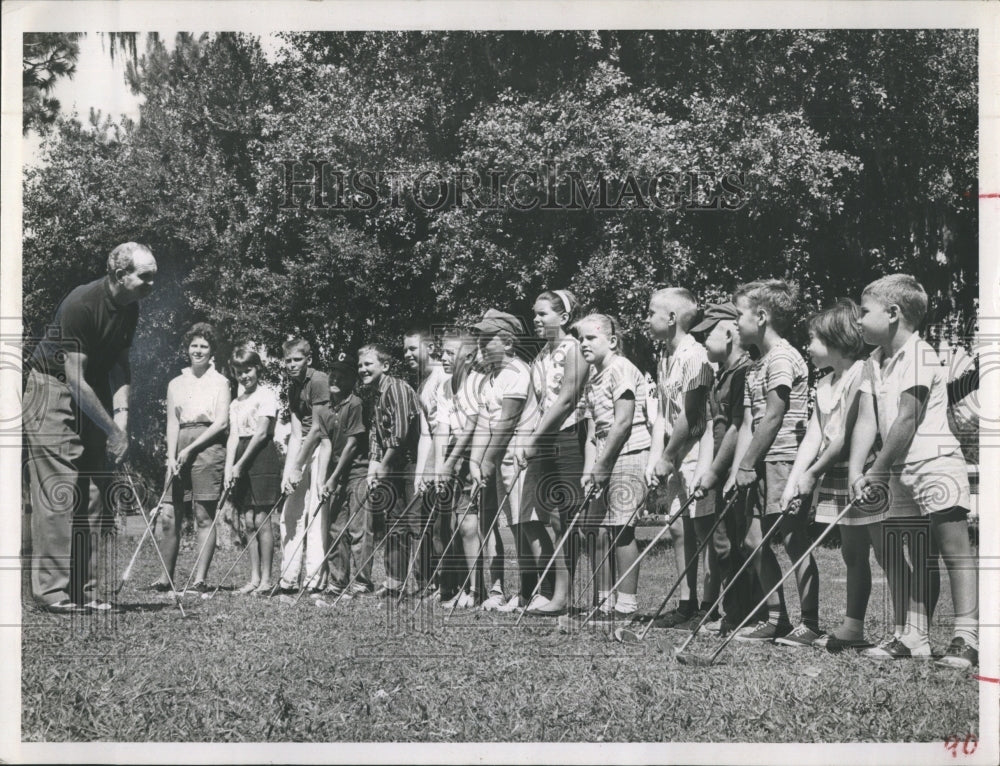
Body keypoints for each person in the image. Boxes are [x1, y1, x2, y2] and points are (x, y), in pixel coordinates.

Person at [851, 274, 978, 669]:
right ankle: (915, 637)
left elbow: (908, 418)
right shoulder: (873, 362)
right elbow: (867, 421)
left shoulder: (920, 354)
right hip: (897, 470)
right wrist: (860, 469)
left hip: (934, 463)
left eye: (864, 312)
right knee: (917, 554)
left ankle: (967, 637)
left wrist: (878, 468)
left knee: (953, 552)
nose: (857, 320)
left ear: (892, 314)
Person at [24, 242, 157, 613]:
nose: (152, 285)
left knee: (96, 488)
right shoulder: (82, 303)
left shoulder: (131, 307)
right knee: (60, 486)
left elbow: (121, 366)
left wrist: (123, 419)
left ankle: (88, 591)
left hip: (91, 389)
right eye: (145, 278)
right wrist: (113, 431)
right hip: (51, 388)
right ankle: (53, 593)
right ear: (120, 276)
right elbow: (75, 381)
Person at [778, 299, 882, 649]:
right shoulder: (824, 383)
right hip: (832, 471)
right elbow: (814, 435)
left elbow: (844, 437)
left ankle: (875, 627)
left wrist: (811, 475)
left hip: (858, 468)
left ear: (835, 339)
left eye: (812, 340)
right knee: (850, 553)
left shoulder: (860, 373)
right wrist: (795, 480)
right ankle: (852, 628)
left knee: (872, 552)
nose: (807, 347)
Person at [728, 279, 814, 643]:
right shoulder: (754, 364)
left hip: (783, 459)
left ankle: (809, 623)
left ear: (761, 316)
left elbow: (775, 415)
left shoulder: (782, 356)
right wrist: (740, 468)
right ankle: (776, 618)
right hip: (759, 461)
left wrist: (749, 464)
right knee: (753, 541)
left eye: (738, 316)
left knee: (794, 540)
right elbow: (750, 421)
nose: (734, 325)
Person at [514, 290, 589, 616]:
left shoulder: (574, 349)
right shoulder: (542, 355)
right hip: (545, 439)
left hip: (569, 436)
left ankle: (565, 596)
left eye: (543, 313)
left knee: (568, 520)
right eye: (535, 313)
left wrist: (536, 436)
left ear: (564, 317)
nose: (536, 319)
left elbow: (568, 398)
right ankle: (556, 593)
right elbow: (537, 403)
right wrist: (526, 439)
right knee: (552, 518)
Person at [643, 288, 715, 628]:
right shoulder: (664, 356)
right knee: (677, 528)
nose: (645, 318)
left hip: (697, 451)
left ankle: (711, 606)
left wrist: (669, 457)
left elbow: (691, 414)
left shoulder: (695, 356)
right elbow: (663, 413)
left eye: (651, 312)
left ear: (671, 318)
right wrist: (655, 458)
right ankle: (687, 603)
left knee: (703, 528)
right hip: (675, 452)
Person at [576, 313, 651, 619]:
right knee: (593, 529)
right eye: (580, 338)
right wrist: (589, 468)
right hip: (605, 456)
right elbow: (594, 432)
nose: (583, 344)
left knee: (622, 528)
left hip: (629, 451)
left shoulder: (620, 368)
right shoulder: (593, 376)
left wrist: (604, 465)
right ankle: (603, 600)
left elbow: (623, 422)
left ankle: (626, 604)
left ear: (612, 341)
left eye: (591, 338)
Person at [691, 301, 757, 635]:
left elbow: (735, 427)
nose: (702, 341)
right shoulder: (722, 375)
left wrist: (716, 472)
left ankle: (739, 615)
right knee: (721, 544)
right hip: (718, 471)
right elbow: (712, 428)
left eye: (707, 334)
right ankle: (735, 612)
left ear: (729, 333)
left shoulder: (744, 372)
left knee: (733, 544)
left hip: (733, 472)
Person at [468, 309, 541, 612]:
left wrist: (488, 461)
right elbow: (486, 422)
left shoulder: (516, 372)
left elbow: (507, 422)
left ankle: (532, 590)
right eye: (480, 340)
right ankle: (526, 591)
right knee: (513, 522)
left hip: (518, 455)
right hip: (501, 458)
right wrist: (476, 461)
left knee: (525, 523)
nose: (481, 346)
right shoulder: (491, 379)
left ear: (509, 343)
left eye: (488, 340)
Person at [152, 322, 231, 593]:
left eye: (204, 346)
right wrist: (172, 455)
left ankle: (199, 580)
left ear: (212, 352)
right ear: (187, 349)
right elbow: (173, 423)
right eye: (194, 345)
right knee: (169, 514)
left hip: (208, 445)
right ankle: (165, 578)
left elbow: (220, 423)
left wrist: (190, 449)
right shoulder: (176, 382)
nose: (198, 351)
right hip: (180, 446)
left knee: (202, 515)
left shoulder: (220, 382)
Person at [307, 352, 372, 602]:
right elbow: (325, 445)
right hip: (336, 476)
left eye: (341, 375)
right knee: (335, 529)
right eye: (332, 373)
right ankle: (337, 581)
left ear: (351, 381)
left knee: (358, 530)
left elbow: (352, 444)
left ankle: (363, 583)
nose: (334, 378)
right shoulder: (323, 410)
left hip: (357, 472)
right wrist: (322, 481)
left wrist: (333, 477)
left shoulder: (354, 403)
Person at [358, 344, 421, 598]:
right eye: (361, 365)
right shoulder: (375, 394)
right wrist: (374, 467)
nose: (363, 369)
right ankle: (395, 581)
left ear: (385, 366)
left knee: (415, 522)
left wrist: (382, 466)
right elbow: (376, 434)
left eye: (368, 364)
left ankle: (425, 583)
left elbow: (400, 434)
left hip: (411, 461)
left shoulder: (396, 388)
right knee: (394, 522)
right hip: (392, 463)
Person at [433, 327, 490, 607]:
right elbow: (441, 430)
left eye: (449, 353)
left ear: (468, 357)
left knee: (469, 524)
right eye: (442, 351)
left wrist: (450, 463)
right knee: (452, 523)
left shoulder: (478, 383)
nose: (443, 357)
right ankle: (462, 587)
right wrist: (438, 467)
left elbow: (470, 428)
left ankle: (477, 591)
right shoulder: (445, 387)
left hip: (472, 456)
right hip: (453, 459)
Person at [224, 345, 282, 594]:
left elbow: (260, 434)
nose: (244, 376)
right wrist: (229, 468)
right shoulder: (236, 403)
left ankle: (267, 579)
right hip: (241, 458)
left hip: (261, 457)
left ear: (257, 368)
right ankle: (254, 578)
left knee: (261, 519)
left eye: (247, 370)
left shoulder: (266, 395)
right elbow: (234, 437)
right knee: (248, 520)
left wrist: (240, 464)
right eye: (238, 372)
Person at [278, 338, 332, 594]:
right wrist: (289, 472)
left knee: (316, 512)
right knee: (291, 513)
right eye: (288, 360)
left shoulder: (319, 380)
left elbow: (318, 429)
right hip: (303, 448)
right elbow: (297, 433)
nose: (291, 365)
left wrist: (299, 466)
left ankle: (314, 579)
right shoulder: (292, 388)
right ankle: (288, 579)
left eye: (297, 360)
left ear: (308, 360)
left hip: (323, 447)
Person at [403, 328, 450, 597]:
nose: (407, 354)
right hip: (431, 454)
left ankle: (449, 583)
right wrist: (419, 473)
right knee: (427, 524)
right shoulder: (422, 384)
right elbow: (424, 434)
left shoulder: (444, 375)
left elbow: (444, 428)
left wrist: (435, 465)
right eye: (405, 350)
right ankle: (432, 581)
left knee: (445, 524)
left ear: (431, 347)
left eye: (412, 348)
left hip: (447, 453)